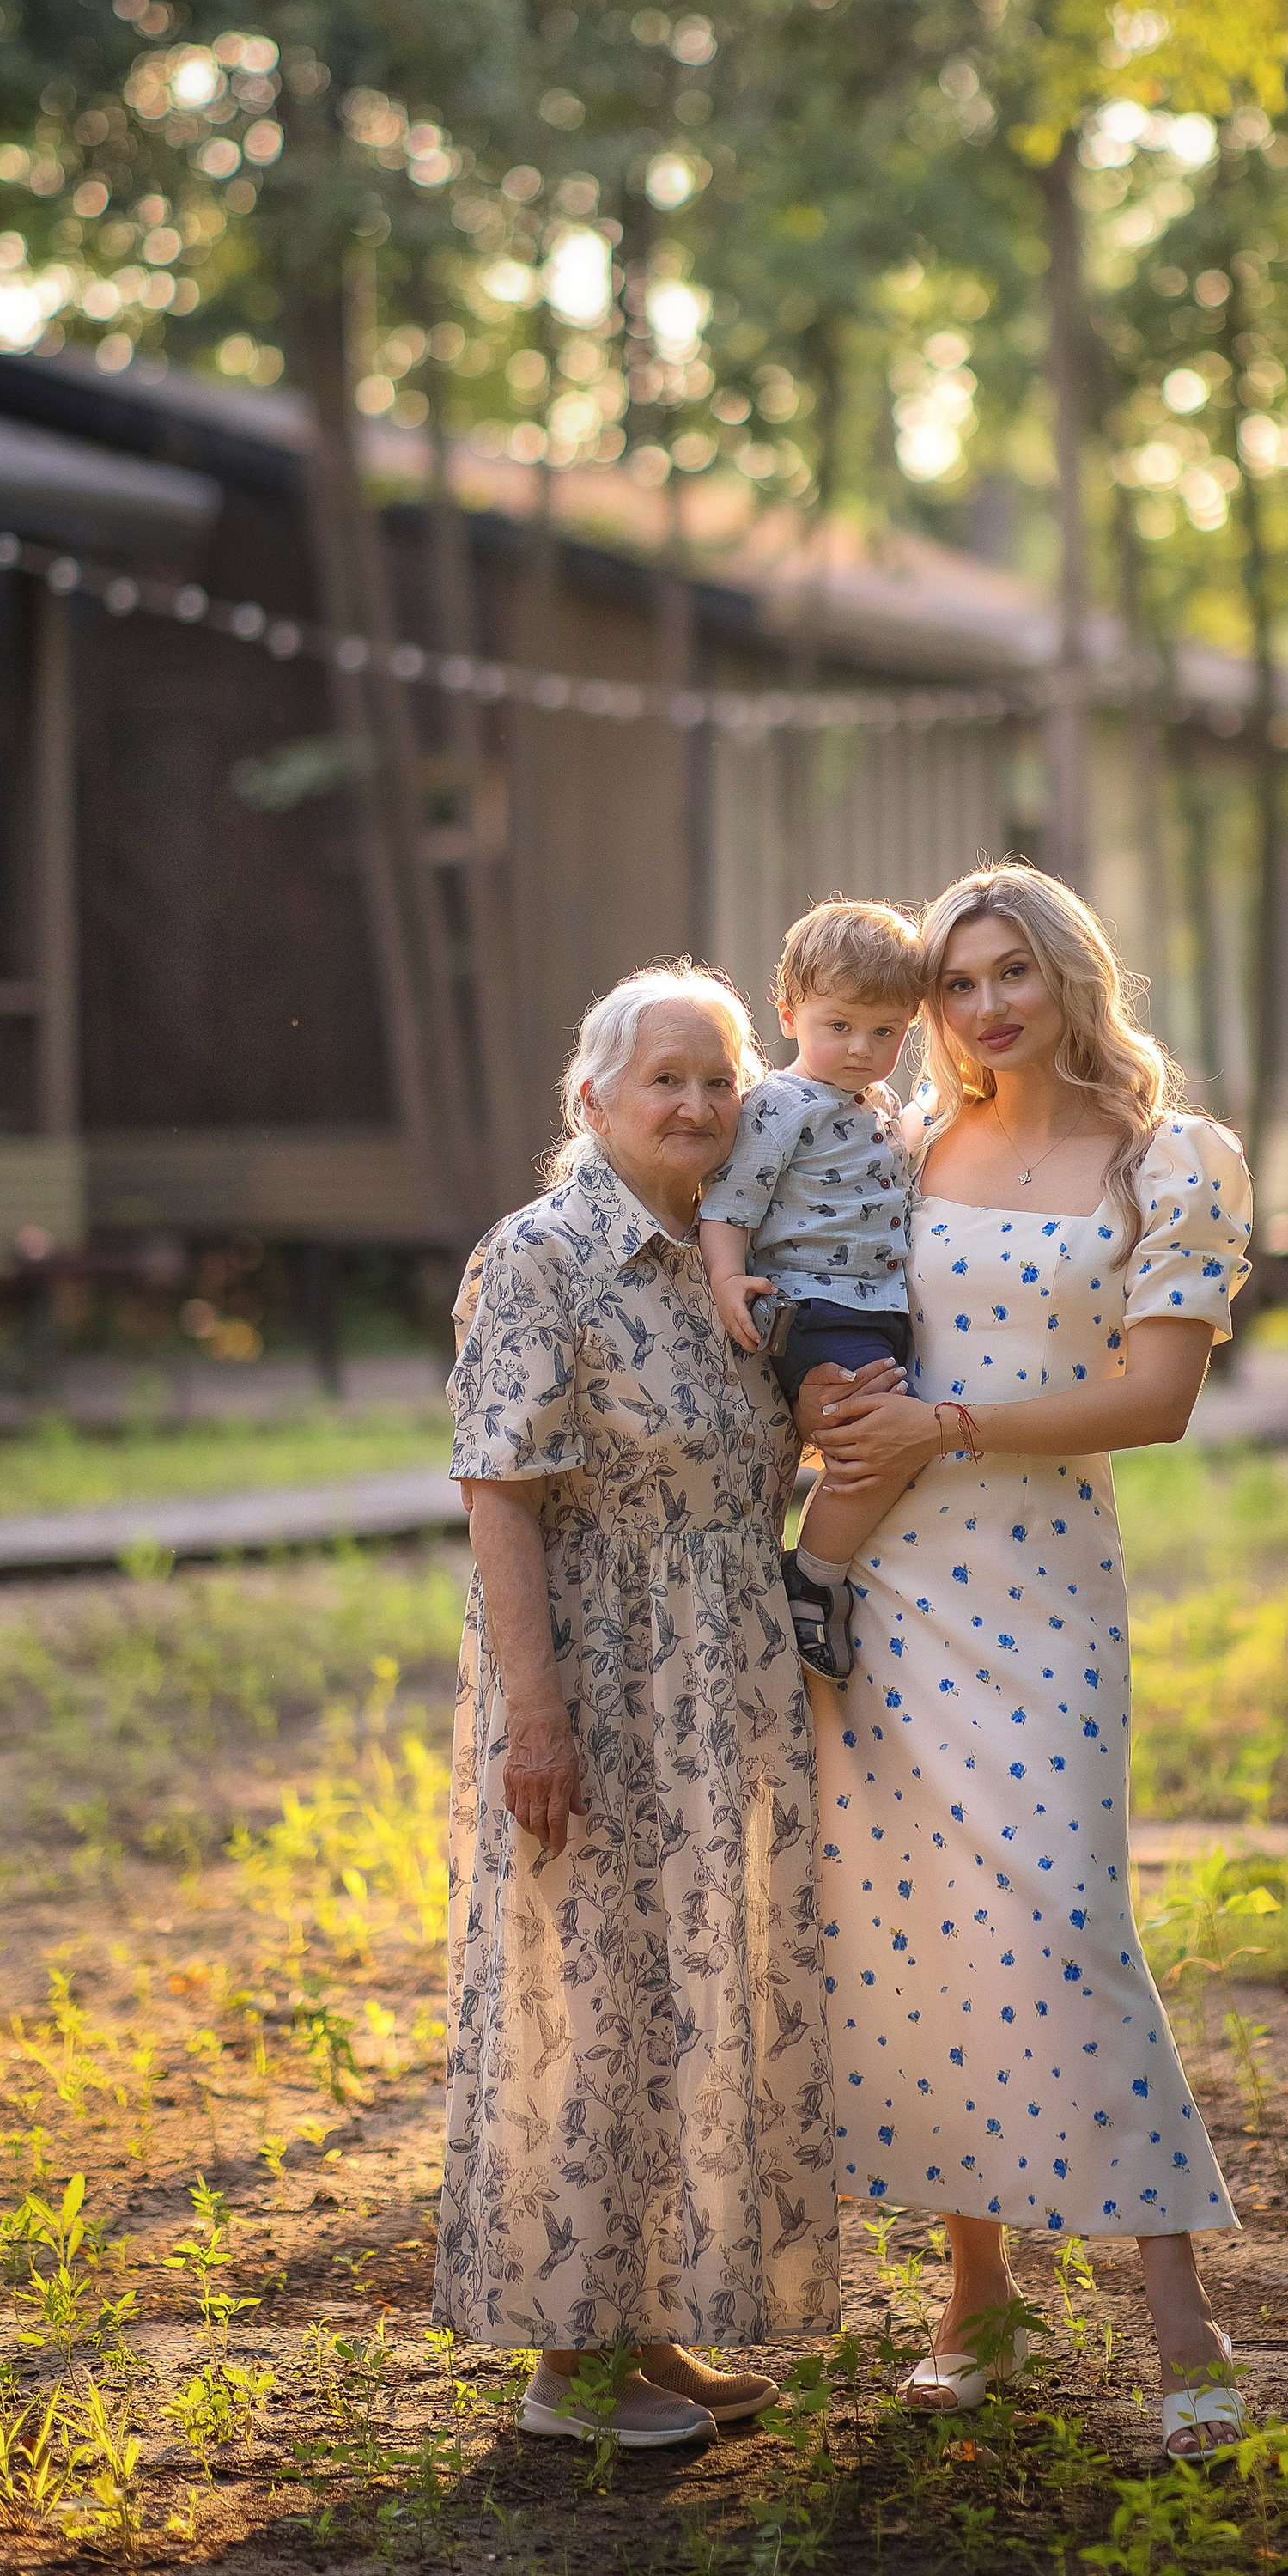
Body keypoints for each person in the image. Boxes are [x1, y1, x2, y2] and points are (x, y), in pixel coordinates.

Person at [798, 866, 1255, 2461]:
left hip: (1047, 1588)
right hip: (893, 1578)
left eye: (1014, 974)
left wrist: (956, 1423)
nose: (986, 1006)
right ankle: (973, 2296)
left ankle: (1180, 2316)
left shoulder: (1167, 1157)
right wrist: (843, 1418)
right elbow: (852, 1339)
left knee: (1067, 1924)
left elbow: (1157, 1400)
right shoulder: (908, 1146)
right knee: (919, 1933)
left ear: (1072, 975)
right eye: (960, 983)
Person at [436, 963, 837, 2451]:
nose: (694, 1102)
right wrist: (536, 1718)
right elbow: (498, 1493)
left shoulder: (732, 1266)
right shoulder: (543, 1254)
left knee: (689, 1999)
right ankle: (566, 2369)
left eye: (719, 1078)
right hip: (597, 1675)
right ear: (591, 1098)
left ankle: (646, 2322)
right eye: (663, 1076)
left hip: (722, 1678)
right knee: (586, 2002)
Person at [699, 898, 927, 1682]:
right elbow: (730, 1205)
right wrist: (728, 1279)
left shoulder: (876, 1107)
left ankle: (825, 1571)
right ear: (790, 1014)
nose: (863, 1049)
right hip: (820, 1308)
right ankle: (812, 1579)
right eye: (840, 1026)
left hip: (878, 1307)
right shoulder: (779, 1106)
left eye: (886, 1031)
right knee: (871, 1455)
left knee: (886, 1445)